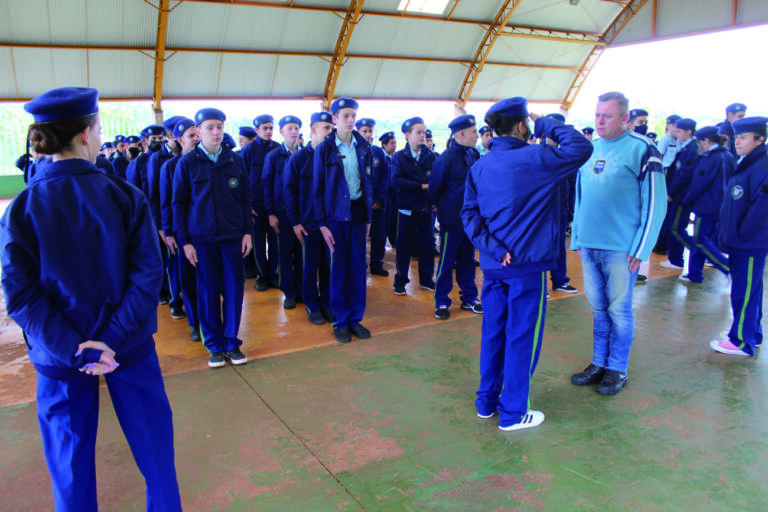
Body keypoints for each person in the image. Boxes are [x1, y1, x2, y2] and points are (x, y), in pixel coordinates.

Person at [0, 87, 181, 511]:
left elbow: (21, 296)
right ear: (85, 134)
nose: (99, 138)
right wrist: (110, 340)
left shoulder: (21, 208)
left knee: (69, 461)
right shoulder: (125, 196)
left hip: (59, 356)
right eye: (98, 130)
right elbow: (147, 276)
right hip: (127, 347)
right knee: (155, 450)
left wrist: (74, 349)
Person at [462, 97, 593, 431]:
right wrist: (547, 122)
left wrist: (493, 247)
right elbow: (581, 147)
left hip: (494, 265)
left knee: (493, 334)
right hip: (527, 266)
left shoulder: (479, 167)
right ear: (523, 125)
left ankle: (486, 402)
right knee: (522, 338)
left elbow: (469, 215)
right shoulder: (538, 158)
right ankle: (514, 412)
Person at [570, 91, 667, 396]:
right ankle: (599, 363)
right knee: (599, 309)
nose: (600, 121)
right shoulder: (591, 148)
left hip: (622, 248)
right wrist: (578, 237)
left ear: (625, 118)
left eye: (608, 116)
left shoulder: (643, 149)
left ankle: (617, 368)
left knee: (619, 310)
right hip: (590, 245)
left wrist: (642, 247)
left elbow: (655, 202)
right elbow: (580, 196)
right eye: (597, 115)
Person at [173, 107, 252, 368]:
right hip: (202, 240)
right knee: (207, 292)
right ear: (198, 131)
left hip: (232, 237)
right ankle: (214, 345)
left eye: (219, 126)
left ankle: (231, 341)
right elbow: (179, 204)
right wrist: (185, 242)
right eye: (210, 127)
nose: (216, 132)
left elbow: (245, 199)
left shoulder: (235, 160)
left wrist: (247, 232)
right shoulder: (187, 163)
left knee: (233, 290)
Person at [313, 97, 373, 343]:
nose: (350, 120)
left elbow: (368, 183)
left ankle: (355, 319)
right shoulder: (325, 149)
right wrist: (322, 224)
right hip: (336, 218)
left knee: (358, 269)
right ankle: (340, 320)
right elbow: (318, 189)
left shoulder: (363, 147)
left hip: (358, 215)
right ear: (335, 119)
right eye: (345, 116)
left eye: (353, 116)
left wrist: (368, 217)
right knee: (338, 270)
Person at [711, 116, 768, 356]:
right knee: (750, 290)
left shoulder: (762, 165)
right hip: (742, 241)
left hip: (749, 242)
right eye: (737, 137)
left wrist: (741, 235)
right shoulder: (749, 162)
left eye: (743, 137)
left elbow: (762, 207)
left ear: (760, 139)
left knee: (743, 293)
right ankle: (751, 333)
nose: (738, 142)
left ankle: (741, 341)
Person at [429, 114, 481, 320]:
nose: (477, 135)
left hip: (471, 219)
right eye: (474, 132)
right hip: (452, 219)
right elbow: (435, 188)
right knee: (447, 261)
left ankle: (469, 298)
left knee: (468, 260)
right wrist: (441, 210)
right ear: (461, 134)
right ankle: (441, 301)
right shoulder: (446, 159)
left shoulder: (473, 154)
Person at [284, 112, 334, 325]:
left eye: (331, 128)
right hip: (308, 224)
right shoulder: (298, 159)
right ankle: (312, 304)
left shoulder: (333, 156)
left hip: (330, 223)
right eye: (326, 128)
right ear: (313, 130)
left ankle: (326, 302)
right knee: (309, 266)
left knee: (328, 265)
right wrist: (295, 222)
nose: (330, 132)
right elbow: (289, 192)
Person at [160, 117, 202, 341]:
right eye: (191, 135)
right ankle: (195, 322)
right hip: (181, 233)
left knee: (209, 279)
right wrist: (168, 231)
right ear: (179, 140)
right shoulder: (169, 167)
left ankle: (210, 319)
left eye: (198, 135)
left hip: (205, 231)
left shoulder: (206, 163)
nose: (196, 139)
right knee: (187, 278)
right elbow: (165, 202)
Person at [677, 126, 735, 283]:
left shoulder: (709, 158)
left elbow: (699, 183)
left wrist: (687, 200)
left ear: (707, 140)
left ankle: (727, 267)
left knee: (700, 240)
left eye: (700, 142)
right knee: (704, 239)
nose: (700, 145)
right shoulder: (728, 156)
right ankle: (694, 274)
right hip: (722, 206)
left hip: (706, 206)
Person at [392, 117, 437, 295]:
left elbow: (436, 181)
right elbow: (396, 181)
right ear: (408, 135)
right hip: (406, 208)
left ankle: (426, 279)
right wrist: (421, 186)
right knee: (404, 246)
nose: (422, 136)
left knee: (427, 245)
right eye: (418, 132)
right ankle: (400, 280)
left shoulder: (431, 156)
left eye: (424, 133)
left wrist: (434, 200)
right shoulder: (399, 157)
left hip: (425, 208)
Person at [263, 115, 303, 309]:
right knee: (285, 253)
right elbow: (267, 185)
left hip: (304, 214)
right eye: (289, 128)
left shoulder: (307, 155)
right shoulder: (273, 157)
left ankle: (303, 289)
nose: (293, 132)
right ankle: (289, 292)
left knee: (302, 254)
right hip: (282, 214)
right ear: (282, 132)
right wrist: (271, 213)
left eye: (296, 128)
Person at [242, 114, 280, 291]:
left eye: (271, 128)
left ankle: (273, 274)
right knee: (258, 243)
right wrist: (247, 206)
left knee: (275, 241)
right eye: (265, 128)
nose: (269, 131)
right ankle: (261, 276)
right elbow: (242, 179)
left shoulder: (278, 149)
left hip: (275, 204)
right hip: (256, 205)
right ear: (256, 130)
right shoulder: (248, 150)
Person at [545, 113, 578, 294]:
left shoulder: (566, 154)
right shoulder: (538, 153)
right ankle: (541, 285)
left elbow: (571, 184)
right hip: (543, 211)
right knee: (541, 247)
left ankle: (559, 280)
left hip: (560, 209)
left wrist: (570, 211)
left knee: (559, 246)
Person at [661, 118, 698, 271]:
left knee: (676, 228)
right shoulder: (686, 147)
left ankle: (685, 256)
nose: (677, 134)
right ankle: (675, 258)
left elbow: (685, 175)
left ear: (689, 131)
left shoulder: (692, 149)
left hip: (681, 196)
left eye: (680, 131)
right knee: (675, 227)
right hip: (678, 194)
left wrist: (672, 192)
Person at [355, 118, 390, 277]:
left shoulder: (378, 152)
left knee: (379, 236)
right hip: (361, 204)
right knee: (360, 237)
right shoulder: (354, 151)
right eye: (364, 131)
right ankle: (360, 265)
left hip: (377, 205)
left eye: (370, 131)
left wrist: (379, 199)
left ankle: (376, 264)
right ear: (357, 132)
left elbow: (384, 177)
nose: (368, 134)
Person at [380, 131, 398, 248]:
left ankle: (394, 242)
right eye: (392, 143)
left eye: (395, 143)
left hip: (395, 194)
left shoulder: (396, 158)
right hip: (385, 195)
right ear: (384, 145)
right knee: (384, 222)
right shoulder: (381, 158)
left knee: (394, 220)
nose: (394, 145)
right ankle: (381, 245)